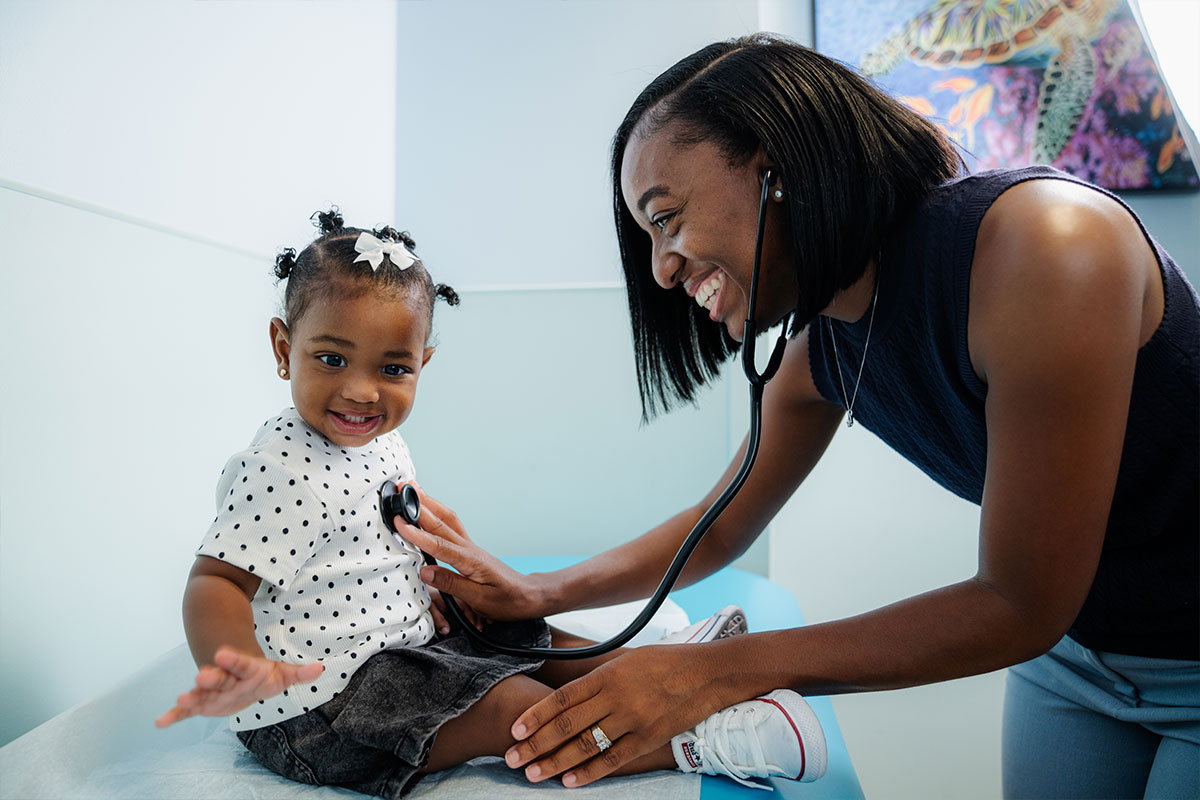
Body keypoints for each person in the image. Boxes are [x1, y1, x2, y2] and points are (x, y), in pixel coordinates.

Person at [399, 34, 1200, 797]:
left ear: (773, 168)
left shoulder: (1044, 248)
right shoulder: (823, 350)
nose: (662, 269)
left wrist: (715, 669)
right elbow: (717, 528)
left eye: (666, 217)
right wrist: (539, 593)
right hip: (1074, 661)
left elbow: (1019, 600)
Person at [154, 209, 828, 796]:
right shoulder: (279, 468)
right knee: (505, 701)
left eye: (393, 369)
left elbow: (404, 519)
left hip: (402, 655)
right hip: (321, 713)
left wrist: (443, 584)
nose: (362, 391)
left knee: (514, 635)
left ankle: (669, 665)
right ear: (283, 348)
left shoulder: (378, 442)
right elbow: (214, 582)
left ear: (423, 362)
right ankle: (698, 738)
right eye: (332, 359)